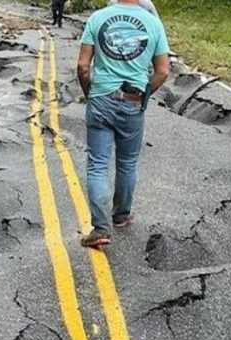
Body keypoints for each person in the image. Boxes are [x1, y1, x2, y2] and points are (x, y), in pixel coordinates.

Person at [77, 0, 170, 248]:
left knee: (97, 165)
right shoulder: (153, 23)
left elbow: (83, 66)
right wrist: (145, 95)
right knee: (127, 163)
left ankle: (100, 228)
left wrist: (90, 93)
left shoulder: (98, 18)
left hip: (101, 99)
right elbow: (163, 71)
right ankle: (121, 215)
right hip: (133, 101)